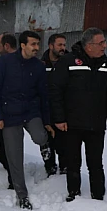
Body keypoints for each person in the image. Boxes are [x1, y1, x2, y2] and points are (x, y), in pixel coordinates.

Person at [50, 28, 107, 202]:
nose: (105, 45)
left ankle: (98, 196)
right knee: (73, 162)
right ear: (88, 46)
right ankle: (74, 194)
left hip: (96, 123)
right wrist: (59, 118)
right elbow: (55, 91)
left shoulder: (105, 63)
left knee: (95, 162)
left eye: (104, 42)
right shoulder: (68, 61)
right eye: (100, 43)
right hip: (72, 123)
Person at [0, 30, 54, 209]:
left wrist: (46, 120)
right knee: (14, 158)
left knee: (40, 137)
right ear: (23, 45)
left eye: (37, 44)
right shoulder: (5, 62)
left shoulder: (38, 66)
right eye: (33, 44)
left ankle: (45, 146)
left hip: (30, 112)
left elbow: (43, 95)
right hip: (9, 115)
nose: (36, 48)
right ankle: (22, 195)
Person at [41, 33, 68, 176]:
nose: (63, 48)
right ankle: (50, 170)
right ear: (51, 46)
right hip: (46, 111)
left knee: (64, 145)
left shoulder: (69, 63)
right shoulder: (41, 64)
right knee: (46, 144)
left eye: (64, 45)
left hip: (64, 112)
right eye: (60, 45)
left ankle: (64, 170)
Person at [0, 32, 16, 188]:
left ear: (7, 46)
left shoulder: (6, 63)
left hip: (11, 114)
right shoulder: (3, 62)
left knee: (7, 147)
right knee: (2, 146)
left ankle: (14, 178)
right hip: (5, 112)